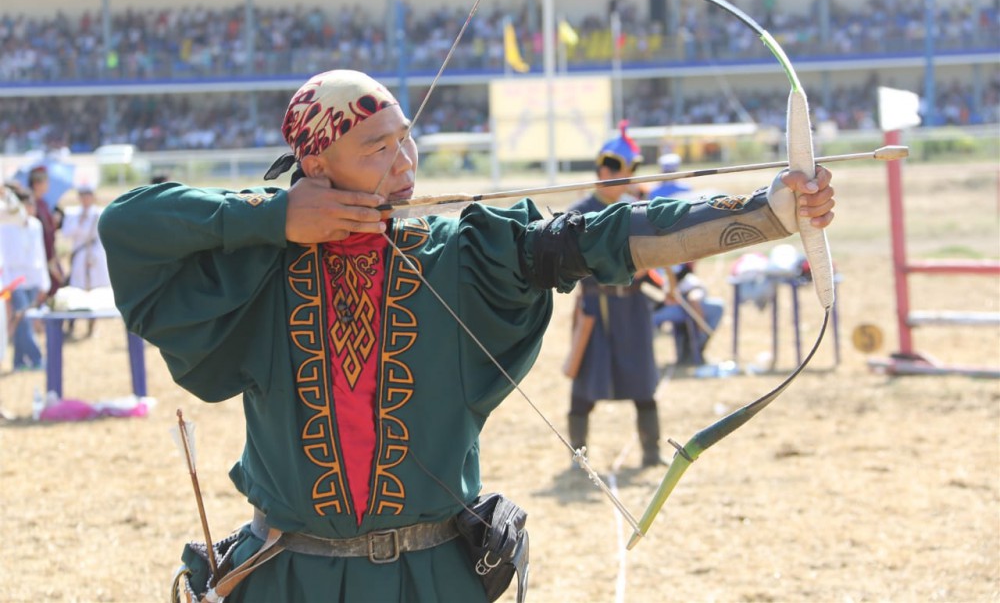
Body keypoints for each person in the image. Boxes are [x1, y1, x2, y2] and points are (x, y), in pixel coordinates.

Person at [98, 69, 836, 603]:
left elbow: (600, 237)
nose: (405, 163)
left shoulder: (463, 252)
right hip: (294, 576)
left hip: (435, 577)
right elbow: (126, 224)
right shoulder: (264, 265)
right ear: (316, 166)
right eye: (377, 149)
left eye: (406, 140)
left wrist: (767, 212)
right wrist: (274, 219)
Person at [562, 122, 671, 468]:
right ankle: (578, 457)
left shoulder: (637, 208)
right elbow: (571, 261)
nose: (629, 180)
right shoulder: (578, 212)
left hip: (633, 307)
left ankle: (651, 453)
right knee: (584, 389)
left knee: (643, 385)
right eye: (623, 172)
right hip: (596, 307)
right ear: (606, 170)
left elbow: (658, 247)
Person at [1, 187, 50, 371]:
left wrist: (44, 282)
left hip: (33, 278)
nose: (31, 208)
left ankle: (19, 361)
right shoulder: (6, 224)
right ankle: (37, 358)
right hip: (13, 278)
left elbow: (40, 253)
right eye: (27, 204)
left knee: (25, 320)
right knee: (23, 319)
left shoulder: (35, 225)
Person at [60, 185, 112, 338]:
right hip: (79, 256)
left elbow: (102, 235)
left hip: (95, 256)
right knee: (76, 289)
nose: (85, 199)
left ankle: (91, 326)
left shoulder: (100, 213)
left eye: (87, 195)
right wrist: (80, 223)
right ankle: (71, 324)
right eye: (82, 195)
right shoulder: (73, 214)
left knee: (94, 292)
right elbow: (66, 232)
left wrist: (93, 257)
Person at [651, 262, 726, 366]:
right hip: (674, 302)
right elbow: (669, 294)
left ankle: (701, 339)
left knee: (715, 306)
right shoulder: (657, 269)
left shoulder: (684, 269)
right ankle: (699, 339)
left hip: (690, 294)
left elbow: (693, 296)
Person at [27, 166, 65, 299]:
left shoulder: (43, 202)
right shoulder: (30, 205)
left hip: (50, 254)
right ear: (37, 183)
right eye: (45, 181)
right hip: (40, 258)